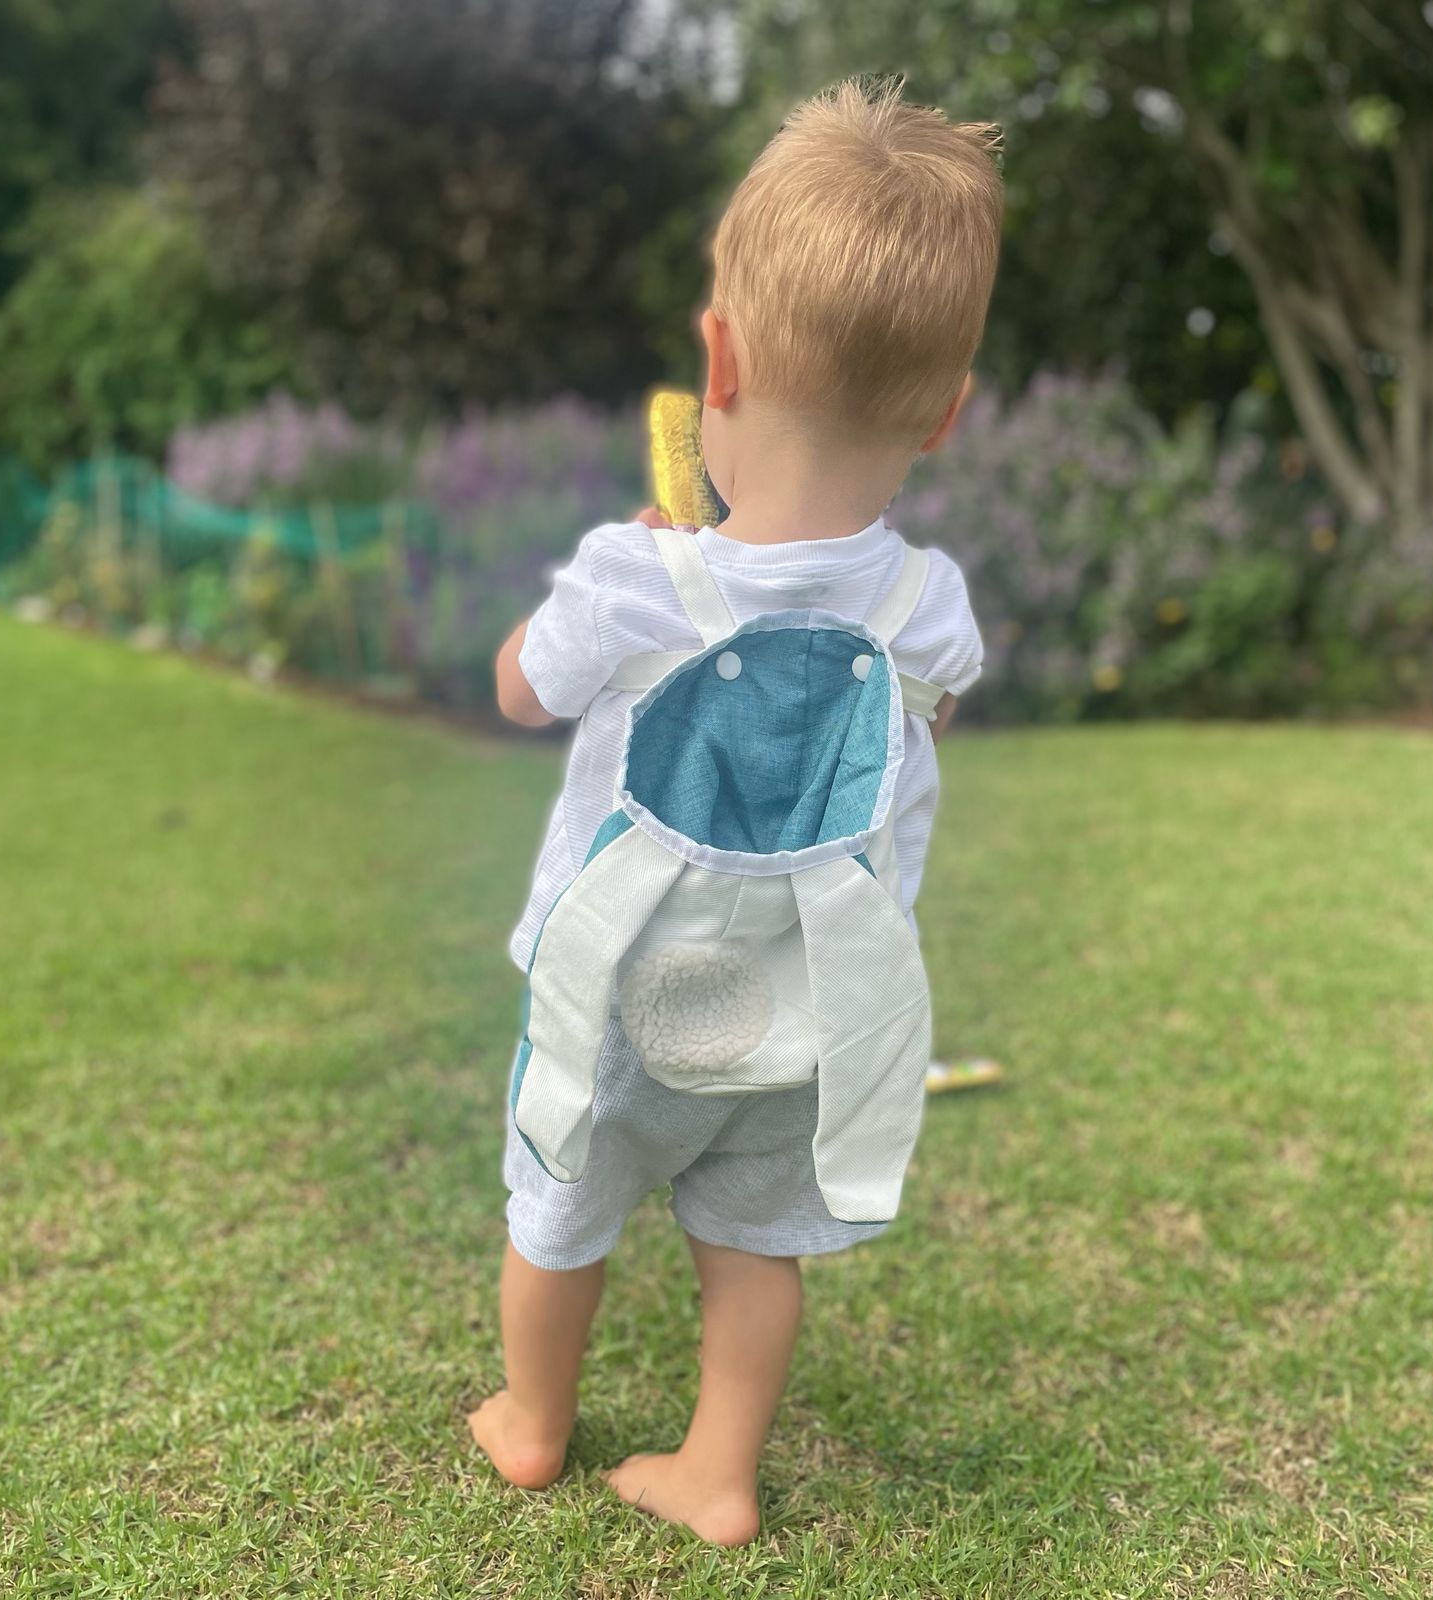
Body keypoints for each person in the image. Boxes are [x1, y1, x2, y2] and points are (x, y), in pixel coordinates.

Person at [468, 77, 1002, 1546]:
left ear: (717, 358)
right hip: (799, 1007)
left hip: (613, 997)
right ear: (946, 414)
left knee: (557, 1209)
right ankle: (717, 1472)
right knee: (753, 1246)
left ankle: (532, 1422)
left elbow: (519, 692)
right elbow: (929, 707)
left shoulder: (636, 578)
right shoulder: (927, 605)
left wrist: (610, 586)